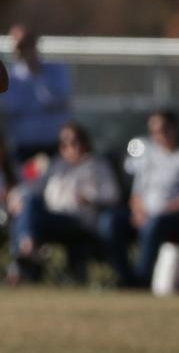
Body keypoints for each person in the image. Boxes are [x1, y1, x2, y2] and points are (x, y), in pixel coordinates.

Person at [98, 110, 179, 287]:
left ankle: (142, 279)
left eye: (164, 129)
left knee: (155, 224)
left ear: (176, 128)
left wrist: (160, 213)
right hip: (144, 215)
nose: (159, 135)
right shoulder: (149, 154)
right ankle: (126, 276)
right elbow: (137, 192)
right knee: (109, 221)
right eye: (154, 131)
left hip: (176, 218)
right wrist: (138, 212)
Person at [6, 121, 120, 284]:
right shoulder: (55, 166)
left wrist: (89, 198)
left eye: (74, 142)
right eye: (64, 144)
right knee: (27, 204)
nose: (70, 147)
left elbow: (113, 195)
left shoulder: (97, 166)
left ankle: (22, 264)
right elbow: (28, 187)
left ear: (85, 142)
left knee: (27, 216)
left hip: (79, 222)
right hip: (52, 219)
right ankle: (27, 251)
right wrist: (16, 199)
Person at [2, 25, 73, 162]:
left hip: (56, 149)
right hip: (24, 151)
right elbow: (10, 108)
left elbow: (59, 99)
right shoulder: (10, 79)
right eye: (19, 46)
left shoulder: (57, 70)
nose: (23, 50)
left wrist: (36, 73)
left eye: (26, 44)